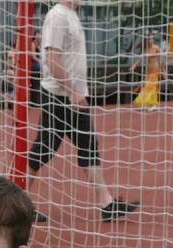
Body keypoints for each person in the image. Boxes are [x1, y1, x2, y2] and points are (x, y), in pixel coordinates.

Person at [27, 0, 139, 223]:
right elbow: (51, 58)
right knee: (44, 149)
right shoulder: (58, 16)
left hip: (71, 95)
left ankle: (106, 204)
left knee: (88, 146)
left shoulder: (71, 15)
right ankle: (17, 202)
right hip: (59, 96)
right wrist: (72, 91)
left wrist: (77, 92)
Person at [131, 33, 162, 111]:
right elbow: (140, 59)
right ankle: (150, 104)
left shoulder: (156, 48)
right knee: (146, 86)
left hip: (155, 69)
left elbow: (163, 56)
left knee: (151, 86)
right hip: (148, 70)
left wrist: (163, 67)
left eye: (152, 39)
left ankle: (153, 104)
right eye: (149, 39)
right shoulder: (145, 49)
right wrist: (134, 65)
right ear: (146, 40)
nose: (151, 40)